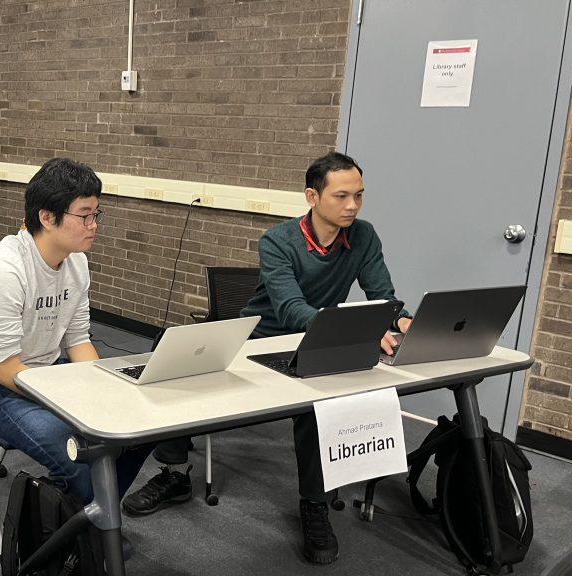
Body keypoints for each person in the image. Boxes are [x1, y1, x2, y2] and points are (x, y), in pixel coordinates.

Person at [122, 151, 411, 566]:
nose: (352, 206)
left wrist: (401, 320)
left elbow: (383, 294)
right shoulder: (278, 241)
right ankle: (174, 474)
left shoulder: (363, 236)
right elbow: (292, 308)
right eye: (342, 196)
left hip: (318, 343)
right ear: (312, 196)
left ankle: (313, 504)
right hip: (259, 339)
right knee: (177, 365)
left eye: (359, 196)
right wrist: (350, 329)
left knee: (320, 401)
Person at [0, 157, 152, 508]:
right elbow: (6, 370)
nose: (94, 225)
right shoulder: (4, 271)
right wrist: (72, 399)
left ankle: (87, 517)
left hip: (48, 373)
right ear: (47, 216)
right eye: (85, 215)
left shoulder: (76, 261)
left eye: (96, 215)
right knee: (72, 451)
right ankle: (88, 522)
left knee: (139, 426)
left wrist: (103, 386)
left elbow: (79, 341)